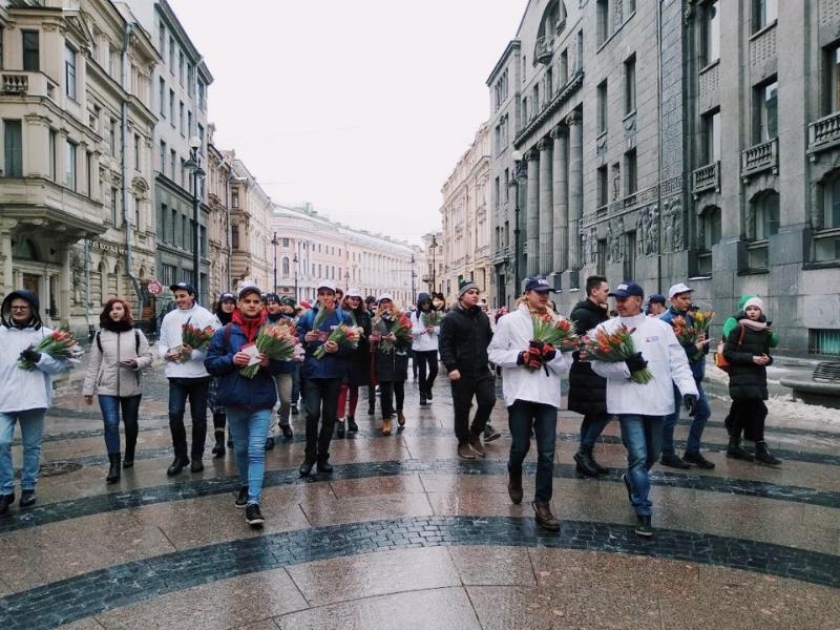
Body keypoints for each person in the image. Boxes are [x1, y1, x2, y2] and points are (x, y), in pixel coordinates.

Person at [590, 281, 698, 537]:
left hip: (657, 401)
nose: (619, 303)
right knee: (637, 456)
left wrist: (689, 390)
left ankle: (632, 481)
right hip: (627, 402)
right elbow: (596, 365)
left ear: (639, 300)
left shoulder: (661, 328)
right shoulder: (605, 329)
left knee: (653, 455)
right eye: (617, 298)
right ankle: (643, 511)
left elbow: (678, 362)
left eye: (625, 298)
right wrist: (626, 368)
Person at [488, 277, 573, 531]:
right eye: (539, 292)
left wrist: (552, 355)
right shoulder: (509, 321)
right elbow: (494, 353)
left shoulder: (558, 323)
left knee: (547, 452)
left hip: (547, 394)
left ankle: (542, 503)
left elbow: (566, 366)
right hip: (521, 393)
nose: (544, 297)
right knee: (520, 446)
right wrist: (521, 357)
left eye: (547, 293)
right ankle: (514, 471)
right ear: (526, 294)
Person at [205, 285, 286, 527]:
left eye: (256, 301)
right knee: (240, 449)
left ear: (261, 305)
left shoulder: (271, 332)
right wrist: (231, 359)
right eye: (247, 301)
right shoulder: (225, 333)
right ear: (239, 304)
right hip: (235, 399)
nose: (252, 305)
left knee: (255, 449)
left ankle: (253, 501)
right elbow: (210, 364)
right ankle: (244, 484)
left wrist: (268, 363)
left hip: (261, 400)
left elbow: (283, 367)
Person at [0, 290, 72, 514]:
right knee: (1, 443)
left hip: (34, 398)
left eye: (23, 307)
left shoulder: (47, 335)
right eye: (14, 307)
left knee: (32, 447)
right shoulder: (1, 333)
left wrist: (40, 358)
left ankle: (29, 487)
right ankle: (6, 489)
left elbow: (63, 366)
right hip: (4, 398)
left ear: (32, 309)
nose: (19, 310)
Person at [83, 298, 153, 483]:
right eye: (111, 309)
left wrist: (136, 362)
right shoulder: (100, 335)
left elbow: (148, 356)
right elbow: (93, 364)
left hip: (132, 385)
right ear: (107, 313)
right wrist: (88, 389)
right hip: (107, 386)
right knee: (111, 424)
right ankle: (114, 465)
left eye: (118, 309)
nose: (115, 312)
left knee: (130, 424)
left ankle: (129, 452)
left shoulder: (137, 334)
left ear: (125, 311)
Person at [158, 282, 218, 477]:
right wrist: (166, 354)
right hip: (176, 374)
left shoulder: (205, 316)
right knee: (175, 415)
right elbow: (162, 343)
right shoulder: (169, 318)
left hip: (199, 375)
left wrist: (192, 353)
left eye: (182, 296)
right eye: (176, 297)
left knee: (199, 418)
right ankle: (180, 455)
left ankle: (197, 456)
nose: (179, 300)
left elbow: (210, 347)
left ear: (192, 295)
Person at [296, 283, 354, 476]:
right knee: (312, 414)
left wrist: (338, 349)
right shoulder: (307, 317)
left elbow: (352, 345)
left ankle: (323, 456)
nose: (326, 297)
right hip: (312, 373)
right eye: (322, 294)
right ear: (317, 296)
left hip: (334, 373)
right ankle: (309, 456)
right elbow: (295, 340)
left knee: (329, 417)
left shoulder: (343, 317)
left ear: (335, 297)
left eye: (329, 294)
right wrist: (306, 339)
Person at [659, 282, 714, 470]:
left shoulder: (695, 317)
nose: (687, 302)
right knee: (671, 417)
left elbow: (705, 347)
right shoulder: (665, 321)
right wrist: (693, 347)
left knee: (703, 412)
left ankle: (692, 451)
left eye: (688, 298)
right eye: (683, 298)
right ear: (672, 299)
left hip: (694, 375)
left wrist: (702, 342)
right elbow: (668, 352)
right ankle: (667, 453)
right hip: (674, 376)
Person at [439, 281, 496, 459]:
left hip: (481, 369)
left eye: (477, 292)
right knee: (462, 408)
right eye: (471, 292)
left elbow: (489, 340)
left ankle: (475, 433)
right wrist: (451, 367)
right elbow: (445, 344)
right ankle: (463, 442)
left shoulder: (483, 317)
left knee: (489, 400)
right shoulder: (451, 318)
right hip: (461, 371)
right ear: (462, 296)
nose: (475, 295)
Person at [722, 297, 781, 465]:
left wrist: (766, 360)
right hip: (741, 376)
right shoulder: (738, 328)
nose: (753, 312)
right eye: (749, 309)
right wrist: (751, 358)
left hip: (756, 377)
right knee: (759, 410)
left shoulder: (764, 331)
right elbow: (728, 353)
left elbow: (767, 354)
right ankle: (760, 449)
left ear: (761, 311)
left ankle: (733, 445)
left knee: (743, 411)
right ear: (745, 311)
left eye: (756, 309)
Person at [567, 275, 612, 477]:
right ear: (594, 291)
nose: (607, 294)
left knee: (593, 413)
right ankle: (584, 452)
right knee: (604, 411)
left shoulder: (598, 312)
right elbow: (575, 344)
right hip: (588, 372)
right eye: (605, 290)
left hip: (595, 371)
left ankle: (586, 457)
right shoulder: (583, 314)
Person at [371, 295, 411, 435]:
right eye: (383, 302)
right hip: (383, 358)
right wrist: (374, 339)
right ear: (379, 305)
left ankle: (399, 411)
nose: (386, 304)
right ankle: (386, 420)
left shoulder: (401, 319)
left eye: (388, 302)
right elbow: (372, 340)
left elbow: (407, 341)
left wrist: (396, 340)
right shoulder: (375, 320)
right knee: (385, 393)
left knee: (399, 390)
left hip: (398, 359)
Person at [336, 289, 371, 437]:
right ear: (346, 299)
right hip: (343, 355)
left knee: (354, 387)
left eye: (357, 299)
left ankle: (351, 417)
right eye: (352, 299)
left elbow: (369, 334)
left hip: (359, 356)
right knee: (343, 387)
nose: (355, 301)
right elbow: (335, 333)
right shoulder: (339, 314)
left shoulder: (365, 315)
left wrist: (364, 334)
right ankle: (340, 419)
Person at [263, 293, 295, 448]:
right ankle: (269, 433)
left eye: (274, 303)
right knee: (269, 402)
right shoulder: (261, 321)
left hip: (284, 366)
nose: (271, 306)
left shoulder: (288, 321)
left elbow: (296, 339)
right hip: (266, 367)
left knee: (286, 400)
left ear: (279, 305)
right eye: (268, 304)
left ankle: (284, 422)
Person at [209, 292, 237, 457]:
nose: (228, 305)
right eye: (225, 302)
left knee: (233, 403)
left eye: (231, 302)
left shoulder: (239, 321)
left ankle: (233, 435)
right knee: (218, 406)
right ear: (220, 304)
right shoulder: (212, 320)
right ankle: (219, 441)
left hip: (235, 367)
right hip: (219, 367)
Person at [411, 293, 440, 406]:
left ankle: (428, 387)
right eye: (424, 303)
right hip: (419, 347)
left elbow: (440, 329)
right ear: (420, 303)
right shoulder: (415, 315)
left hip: (432, 346)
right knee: (421, 372)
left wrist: (434, 330)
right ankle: (422, 394)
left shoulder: (435, 314)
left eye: (428, 303)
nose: (426, 305)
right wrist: (421, 331)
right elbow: (412, 329)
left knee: (434, 369)